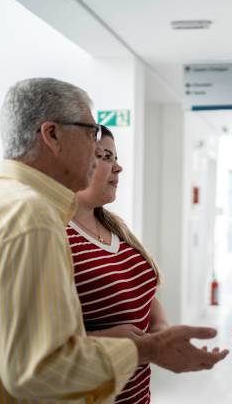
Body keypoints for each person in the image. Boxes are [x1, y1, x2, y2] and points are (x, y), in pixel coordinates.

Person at [0, 77, 228, 404]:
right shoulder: (33, 217)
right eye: (91, 134)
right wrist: (147, 349)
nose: (96, 150)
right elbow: (40, 371)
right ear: (52, 134)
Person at [67, 125, 166, 404]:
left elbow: (142, 289)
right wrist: (103, 339)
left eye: (116, 157)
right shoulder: (53, 236)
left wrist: (161, 330)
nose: (119, 167)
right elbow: (36, 346)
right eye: (106, 156)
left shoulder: (114, 226)